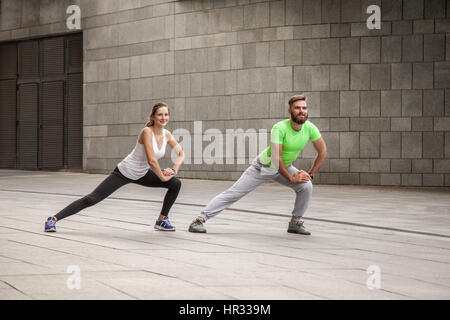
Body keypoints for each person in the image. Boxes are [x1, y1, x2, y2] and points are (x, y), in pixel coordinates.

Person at [188, 94, 327, 235]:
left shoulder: (310, 128)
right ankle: (199, 220)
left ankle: (295, 223)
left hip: (285, 166)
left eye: (304, 108)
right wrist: (291, 178)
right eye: (297, 108)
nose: (301, 111)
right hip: (264, 167)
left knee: (306, 186)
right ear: (290, 111)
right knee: (234, 193)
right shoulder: (279, 128)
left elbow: (322, 151)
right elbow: (275, 158)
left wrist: (310, 175)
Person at [44, 102, 185, 232]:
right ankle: (53, 219)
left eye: (166, 114)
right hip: (124, 172)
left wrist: (173, 170)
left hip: (142, 174)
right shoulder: (146, 132)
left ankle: (161, 220)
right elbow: (152, 161)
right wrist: (162, 177)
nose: (163, 117)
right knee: (92, 199)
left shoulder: (167, 134)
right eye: (160, 114)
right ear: (153, 116)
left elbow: (181, 153)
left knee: (175, 184)